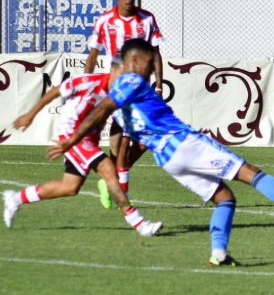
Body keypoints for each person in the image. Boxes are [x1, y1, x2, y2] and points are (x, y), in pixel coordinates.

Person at [47, 39, 274, 267]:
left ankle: (219, 255)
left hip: (168, 161)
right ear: (134, 61)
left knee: (225, 198)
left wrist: (72, 141)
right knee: (249, 172)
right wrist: (72, 139)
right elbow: (102, 110)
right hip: (185, 143)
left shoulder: (122, 97)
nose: (152, 70)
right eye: (150, 63)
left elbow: (110, 118)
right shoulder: (131, 81)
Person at [4, 54, 162, 237]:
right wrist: (30, 115)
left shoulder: (120, 94)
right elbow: (55, 91)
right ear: (113, 70)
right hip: (71, 134)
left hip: (89, 139)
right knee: (108, 169)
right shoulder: (89, 82)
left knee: (70, 187)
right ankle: (140, 224)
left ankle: (15, 198)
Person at [85, 0, 164, 209]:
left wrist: (159, 84)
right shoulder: (104, 21)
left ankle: (110, 181)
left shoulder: (147, 19)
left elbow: (156, 54)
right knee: (119, 142)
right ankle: (114, 184)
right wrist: (89, 85)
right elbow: (92, 56)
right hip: (117, 86)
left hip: (142, 88)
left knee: (149, 136)